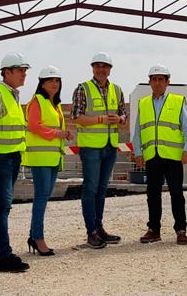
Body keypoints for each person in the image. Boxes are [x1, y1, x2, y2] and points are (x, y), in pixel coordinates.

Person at [132, 64, 187, 245]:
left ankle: (181, 230)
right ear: (150, 82)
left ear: (168, 82)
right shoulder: (143, 104)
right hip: (152, 156)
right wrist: (138, 153)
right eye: (154, 79)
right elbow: (138, 131)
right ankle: (154, 230)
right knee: (152, 194)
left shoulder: (177, 101)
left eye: (161, 79)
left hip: (173, 157)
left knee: (176, 193)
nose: (158, 82)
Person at [71, 52, 127, 249]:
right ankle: (91, 231)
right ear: (92, 68)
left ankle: (99, 228)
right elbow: (76, 117)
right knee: (91, 188)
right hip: (91, 147)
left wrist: (119, 119)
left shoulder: (117, 90)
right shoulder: (82, 89)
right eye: (97, 66)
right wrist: (101, 120)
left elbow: (123, 115)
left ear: (110, 69)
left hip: (110, 146)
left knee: (102, 189)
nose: (101, 69)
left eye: (105, 66)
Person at [0, 52, 31, 272]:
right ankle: (4, 256)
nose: (24, 74)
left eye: (25, 70)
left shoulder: (13, 95)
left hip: (11, 157)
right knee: (3, 206)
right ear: (7, 72)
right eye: (20, 70)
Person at [24, 65, 73, 256]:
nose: (55, 83)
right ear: (42, 84)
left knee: (44, 198)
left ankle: (33, 236)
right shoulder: (37, 101)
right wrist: (58, 133)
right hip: (40, 159)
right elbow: (34, 126)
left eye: (57, 80)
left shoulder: (56, 105)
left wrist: (64, 133)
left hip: (52, 159)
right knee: (41, 198)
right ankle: (38, 238)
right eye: (50, 80)